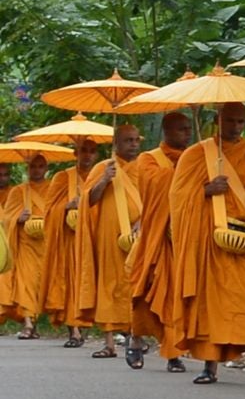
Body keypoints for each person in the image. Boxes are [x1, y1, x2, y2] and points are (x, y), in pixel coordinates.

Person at [169, 102, 245, 385]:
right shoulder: (196, 153)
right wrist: (206, 190)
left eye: (241, 122)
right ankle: (209, 366)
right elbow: (177, 197)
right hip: (209, 239)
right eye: (231, 121)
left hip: (242, 236)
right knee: (209, 303)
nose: (236, 127)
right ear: (217, 119)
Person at [128, 112, 195, 371]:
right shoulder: (148, 159)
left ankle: (173, 353)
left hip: (183, 239)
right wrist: (183, 172)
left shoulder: (196, 157)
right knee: (146, 293)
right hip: (156, 238)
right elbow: (154, 188)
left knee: (176, 295)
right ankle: (135, 339)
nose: (187, 134)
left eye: (188, 129)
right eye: (181, 130)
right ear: (166, 131)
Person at [78, 123, 144, 363]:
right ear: (116, 143)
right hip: (109, 236)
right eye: (128, 140)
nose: (134, 145)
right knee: (109, 284)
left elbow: (155, 197)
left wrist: (143, 222)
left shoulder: (144, 166)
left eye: (136, 140)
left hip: (139, 233)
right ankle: (108, 343)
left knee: (136, 284)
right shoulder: (103, 167)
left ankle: (135, 334)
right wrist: (104, 180)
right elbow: (89, 201)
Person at [41, 138, 100, 348]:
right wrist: (67, 206)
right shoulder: (62, 177)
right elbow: (49, 211)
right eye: (83, 151)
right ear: (75, 153)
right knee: (70, 281)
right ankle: (74, 329)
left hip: (94, 238)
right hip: (69, 240)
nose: (87, 155)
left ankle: (98, 324)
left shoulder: (100, 176)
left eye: (92, 151)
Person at [0, 154, 51, 337]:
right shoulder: (19, 191)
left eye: (40, 166)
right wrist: (17, 219)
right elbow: (6, 219)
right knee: (26, 282)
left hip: (47, 243)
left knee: (41, 286)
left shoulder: (53, 188)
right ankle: (28, 324)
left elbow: (58, 212)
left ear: (46, 168)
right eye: (33, 166)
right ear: (27, 169)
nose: (36, 170)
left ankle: (36, 322)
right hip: (26, 245)